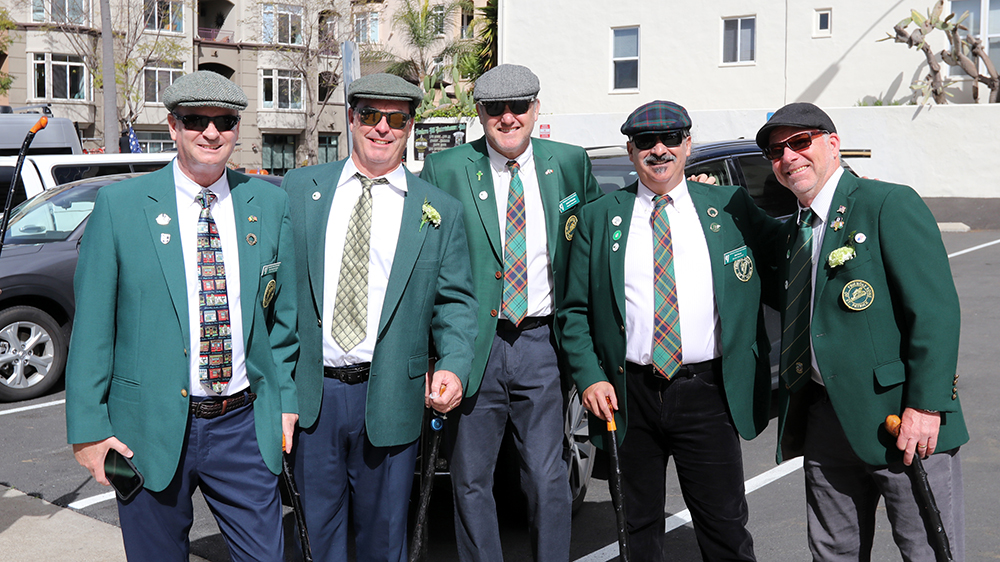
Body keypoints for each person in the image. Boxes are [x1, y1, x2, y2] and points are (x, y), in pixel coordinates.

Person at [65, 70, 299, 561]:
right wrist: (88, 430)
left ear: (237, 129)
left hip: (243, 425)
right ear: (173, 126)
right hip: (147, 429)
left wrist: (286, 403)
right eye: (195, 121)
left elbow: (282, 320)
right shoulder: (120, 206)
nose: (211, 133)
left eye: (224, 122)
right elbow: (92, 330)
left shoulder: (269, 203)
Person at [557, 100, 778, 562]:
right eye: (645, 142)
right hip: (627, 394)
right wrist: (590, 377)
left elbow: (790, 259)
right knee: (635, 529)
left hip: (708, 393)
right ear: (631, 150)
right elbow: (573, 311)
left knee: (724, 526)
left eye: (671, 139)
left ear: (688, 144)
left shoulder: (729, 206)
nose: (658, 150)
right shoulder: (599, 217)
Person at [757, 102, 968, 561]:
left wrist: (926, 406)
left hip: (901, 419)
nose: (788, 156)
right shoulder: (796, 230)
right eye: (776, 151)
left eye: (800, 142)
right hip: (825, 418)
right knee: (833, 552)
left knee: (928, 550)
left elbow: (934, 312)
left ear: (833, 143)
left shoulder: (885, 203)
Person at [281, 73, 478, 562]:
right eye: (370, 115)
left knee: (385, 541)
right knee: (315, 540)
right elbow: (276, 293)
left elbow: (455, 303)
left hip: (391, 393)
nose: (382, 128)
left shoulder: (439, 210)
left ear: (410, 126)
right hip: (314, 397)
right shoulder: (300, 189)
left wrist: (453, 365)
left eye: (396, 118)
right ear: (352, 118)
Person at [420, 63, 601, 562]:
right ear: (479, 113)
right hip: (473, 345)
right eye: (495, 109)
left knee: (546, 476)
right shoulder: (446, 169)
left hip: (541, 343)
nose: (507, 117)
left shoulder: (570, 163)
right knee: (469, 479)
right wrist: (438, 356)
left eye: (518, 106)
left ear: (535, 109)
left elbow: (593, 245)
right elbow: (427, 268)